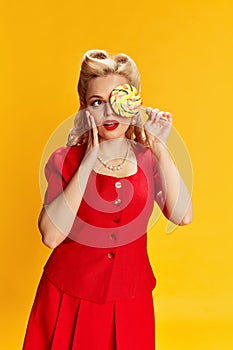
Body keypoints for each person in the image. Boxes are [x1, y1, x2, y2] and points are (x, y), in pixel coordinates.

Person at [23, 49, 192, 350]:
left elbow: (182, 215)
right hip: (67, 297)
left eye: (118, 99)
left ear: (133, 103)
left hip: (131, 300)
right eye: (97, 102)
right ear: (84, 110)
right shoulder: (65, 160)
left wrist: (160, 147)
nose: (109, 112)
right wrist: (88, 161)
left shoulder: (148, 159)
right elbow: (50, 236)